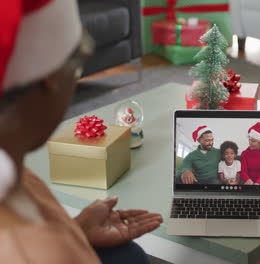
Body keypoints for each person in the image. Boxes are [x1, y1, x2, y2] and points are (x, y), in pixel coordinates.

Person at [0, 1, 162, 263]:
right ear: (50, 78)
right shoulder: (35, 251)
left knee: (129, 254)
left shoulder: (20, 173)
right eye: (77, 65)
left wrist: (78, 229)